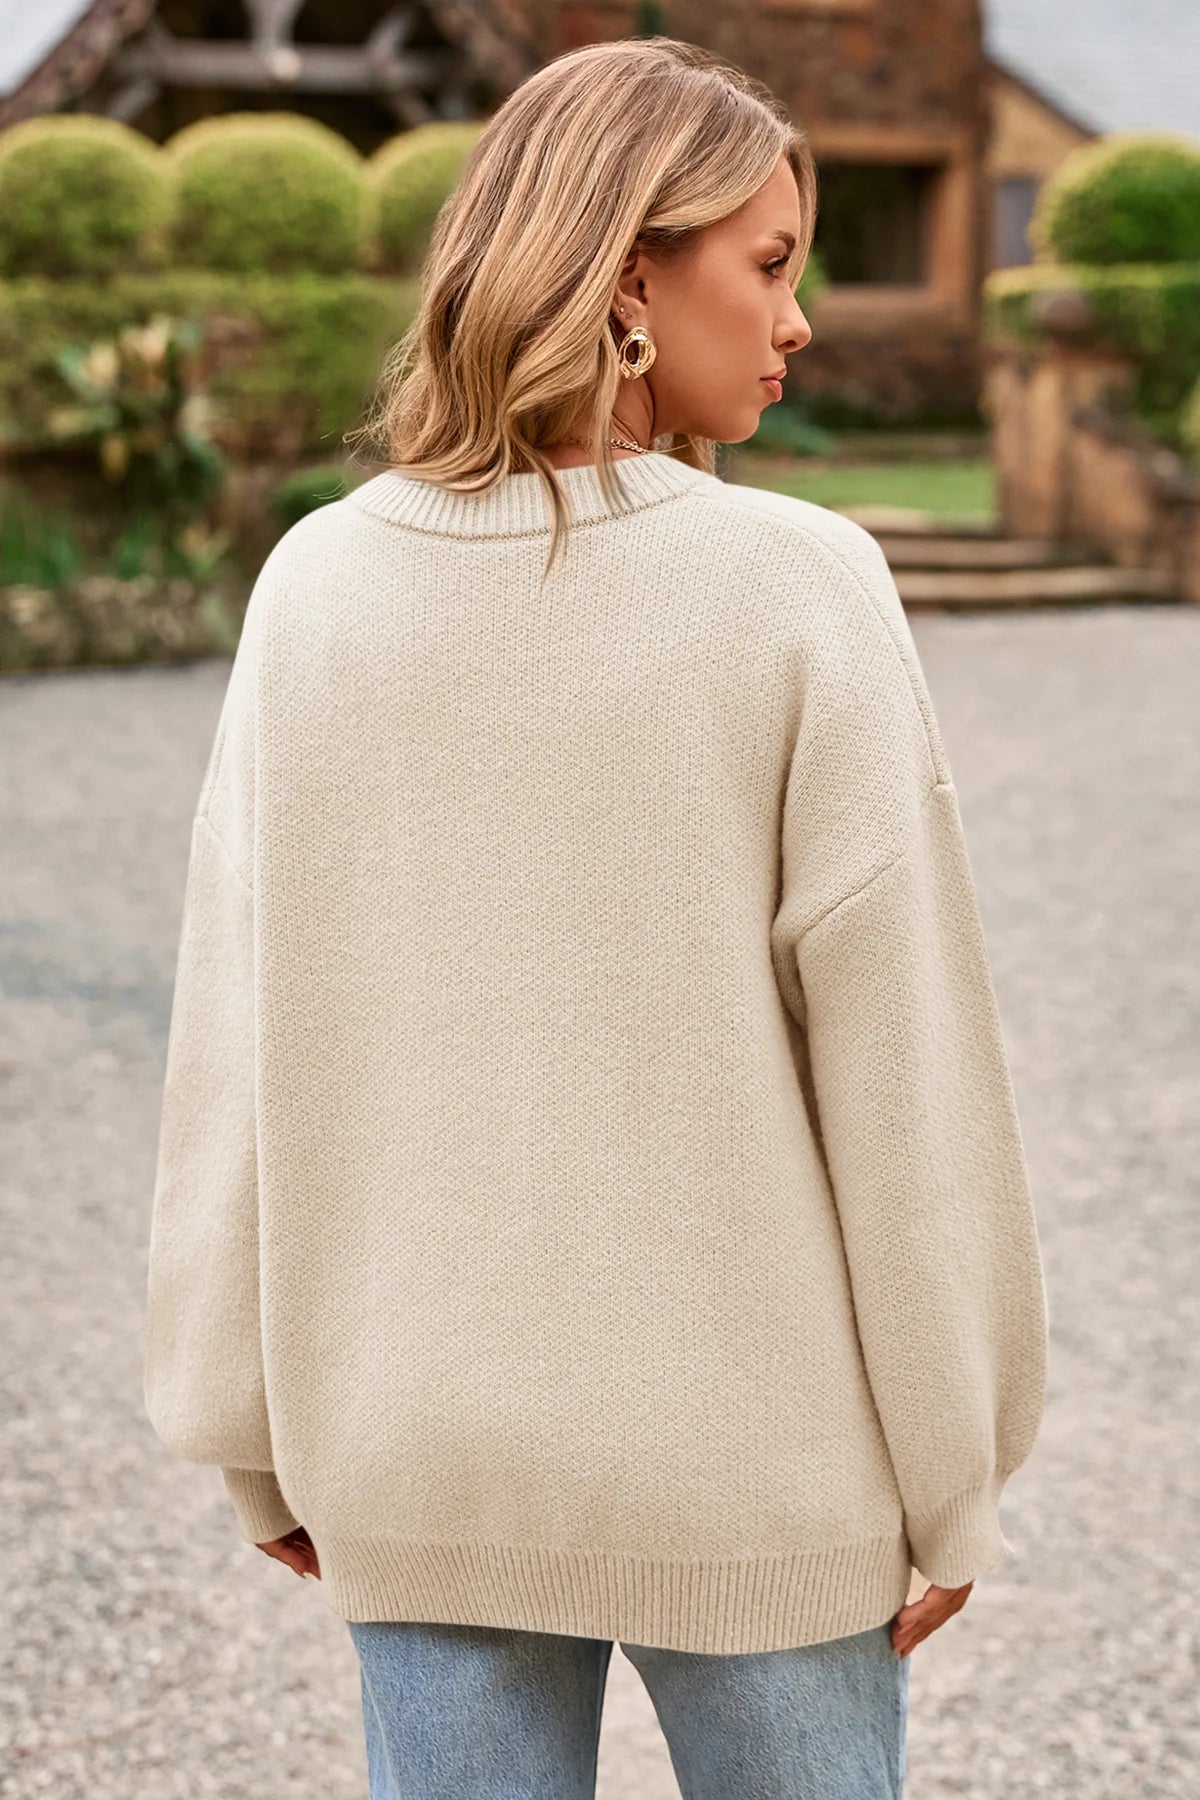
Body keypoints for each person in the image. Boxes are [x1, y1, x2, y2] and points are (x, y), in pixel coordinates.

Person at [142, 34, 1049, 1800]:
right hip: (761, 1470)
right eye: (768, 264)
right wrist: (957, 1471)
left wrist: (248, 1428)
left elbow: (236, 1039)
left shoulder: (317, 584)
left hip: (416, 1451)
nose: (800, 320)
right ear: (630, 275)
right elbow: (905, 1078)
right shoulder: (800, 588)